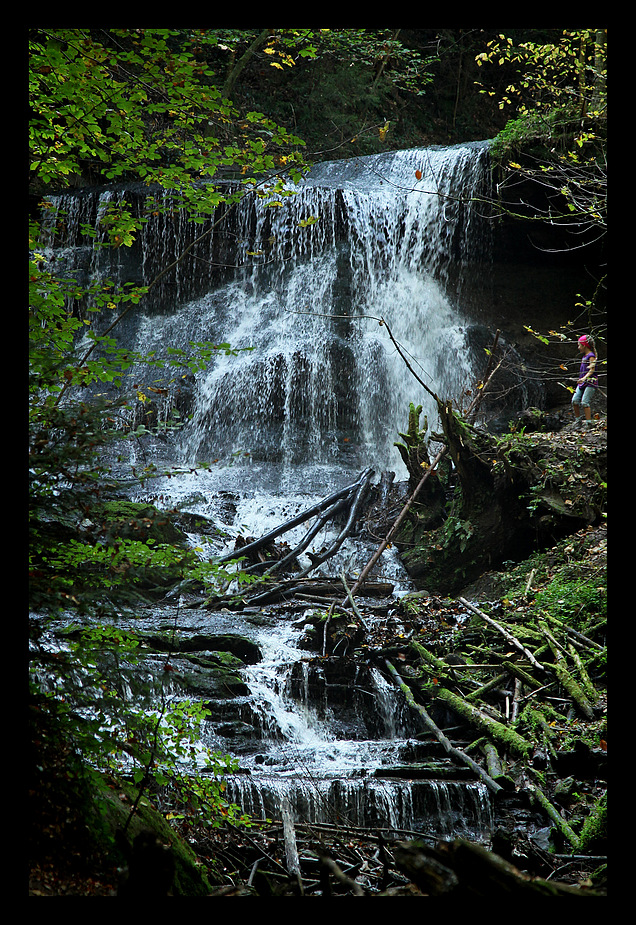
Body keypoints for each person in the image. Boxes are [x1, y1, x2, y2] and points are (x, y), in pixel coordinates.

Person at [571, 334, 598, 428]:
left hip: (590, 383)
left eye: (579, 345)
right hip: (582, 383)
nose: (578, 348)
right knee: (574, 400)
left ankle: (588, 423)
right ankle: (578, 421)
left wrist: (584, 378)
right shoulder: (584, 357)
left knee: (585, 402)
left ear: (584, 345)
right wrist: (580, 379)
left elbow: (592, 369)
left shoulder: (591, 356)